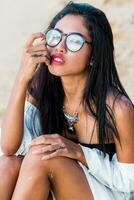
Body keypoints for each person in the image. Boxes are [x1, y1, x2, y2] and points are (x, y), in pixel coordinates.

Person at [0, 1, 134, 200]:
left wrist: (79, 152)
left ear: (94, 55)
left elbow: (129, 181)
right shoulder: (42, 89)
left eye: (74, 41)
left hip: (104, 193)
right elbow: (9, 148)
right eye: (55, 36)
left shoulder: (118, 108)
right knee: (8, 165)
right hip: (54, 183)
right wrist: (22, 78)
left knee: (41, 156)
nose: (60, 47)